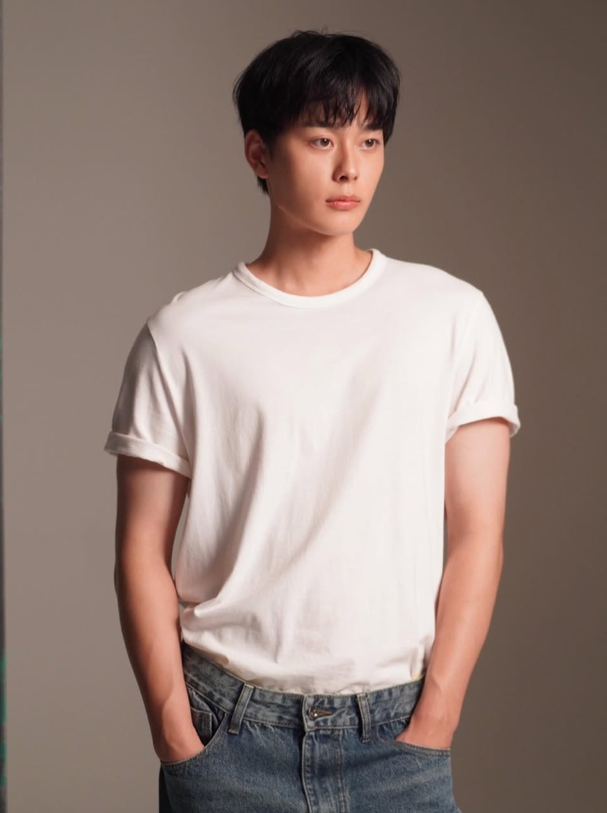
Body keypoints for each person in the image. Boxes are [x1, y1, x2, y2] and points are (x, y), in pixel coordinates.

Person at [104, 28, 521, 813]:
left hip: (397, 734)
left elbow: (476, 534)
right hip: (227, 729)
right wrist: (173, 729)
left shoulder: (450, 315)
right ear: (259, 153)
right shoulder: (185, 334)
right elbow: (139, 548)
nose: (349, 167)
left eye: (370, 139)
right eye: (322, 138)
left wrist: (437, 714)